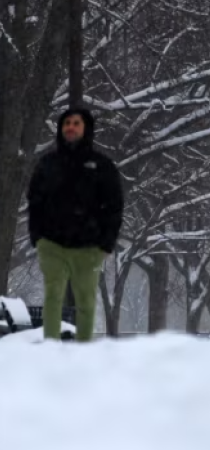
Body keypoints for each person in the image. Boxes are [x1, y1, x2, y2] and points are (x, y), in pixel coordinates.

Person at [26, 108, 124, 342]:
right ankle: (51, 348)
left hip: (89, 248)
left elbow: (114, 206)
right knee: (53, 296)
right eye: (66, 123)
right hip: (51, 244)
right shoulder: (47, 164)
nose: (70, 127)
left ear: (86, 129)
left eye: (76, 123)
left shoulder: (102, 166)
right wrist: (37, 237)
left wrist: (106, 244)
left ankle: (84, 353)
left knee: (86, 301)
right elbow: (35, 201)